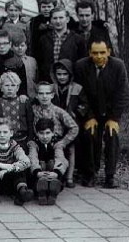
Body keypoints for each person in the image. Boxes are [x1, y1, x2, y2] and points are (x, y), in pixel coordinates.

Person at [74, 39, 129, 188]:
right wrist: (89, 116)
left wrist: (114, 118)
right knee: (90, 133)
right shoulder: (81, 66)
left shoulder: (118, 66)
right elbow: (80, 94)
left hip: (110, 112)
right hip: (90, 111)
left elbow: (123, 94)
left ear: (109, 52)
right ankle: (90, 173)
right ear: (89, 53)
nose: (99, 56)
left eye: (102, 52)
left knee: (112, 134)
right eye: (95, 53)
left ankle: (110, 176)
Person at [31, 82, 79, 187]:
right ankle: (38, 175)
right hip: (38, 141)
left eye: (47, 93)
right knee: (32, 152)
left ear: (52, 95)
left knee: (59, 155)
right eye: (41, 93)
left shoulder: (58, 111)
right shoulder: (33, 109)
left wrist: (63, 142)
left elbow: (74, 127)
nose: (44, 96)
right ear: (36, 95)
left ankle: (58, 177)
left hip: (55, 141)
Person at [51, 59, 88, 187]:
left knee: (71, 149)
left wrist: (75, 112)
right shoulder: (51, 88)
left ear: (70, 74)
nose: (61, 77)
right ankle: (58, 174)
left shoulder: (77, 88)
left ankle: (70, 177)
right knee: (56, 149)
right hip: (55, 124)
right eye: (59, 74)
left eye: (65, 74)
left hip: (71, 123)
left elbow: (84, 105)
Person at [37, 6, 87, 81]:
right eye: (55, 18)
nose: (58, 21)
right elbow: (40, 63)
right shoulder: (43, 39)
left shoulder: (78, 39)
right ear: (50, 20)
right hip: (49, 83)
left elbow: (82, 64)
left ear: (67, 19)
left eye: (61, 18)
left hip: (71, 83)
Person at [28, 118, 68, 205]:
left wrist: (57, 172)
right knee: (41, 163)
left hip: (53, 173)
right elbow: (32, 157)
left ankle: (53, 191)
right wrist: (37, 171)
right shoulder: (34, 143)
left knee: (52, 163)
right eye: (41, 133)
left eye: (47, 133)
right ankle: (41, 191)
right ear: (37, 133)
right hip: (39, 173)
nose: (45, 137)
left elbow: (60, 158)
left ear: (53, 132)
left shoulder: (57, 143)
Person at [0, 72, 34, 149]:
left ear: (17, 87)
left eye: (13, 85)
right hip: (2, 142)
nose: (10, 88)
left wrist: (29, 140)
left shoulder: (24, 102)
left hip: (22, 141)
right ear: (1, 87)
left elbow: (30, 123)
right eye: (6, 85)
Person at [0, 29, 28, 100]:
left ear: (10, 44)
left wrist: (22, 94)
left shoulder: (17, 61)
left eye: (5, 43)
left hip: (14, 100)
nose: (2, 46)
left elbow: (23, 83)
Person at [12, 32, 38, 99]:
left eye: (22, 45)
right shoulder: (10, 62)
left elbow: (36, 79)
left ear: (26, 47)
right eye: (17, 46)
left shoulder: (32, 61)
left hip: (32, 95)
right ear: (11, 47)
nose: (20, 48)